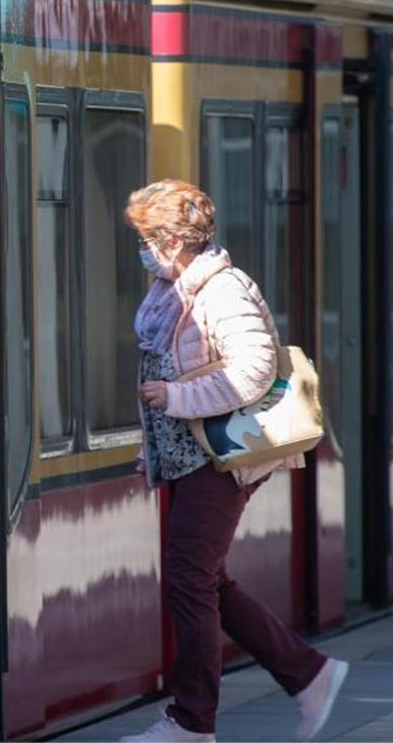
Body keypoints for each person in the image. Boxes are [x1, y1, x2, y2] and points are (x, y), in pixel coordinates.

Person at [120, 180, 348, 743]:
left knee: (187, 578)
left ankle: (192, 723)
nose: (144, 248)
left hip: (220, 458)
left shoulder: (221, 291)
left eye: (149, 237)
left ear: (174, 239)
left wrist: (174, 400)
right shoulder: (171, 288)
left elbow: (251, 371)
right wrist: (152, 448)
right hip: (189, 456)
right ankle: (310, 675)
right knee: (206, 580)